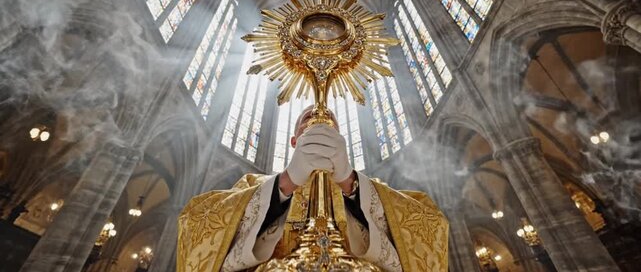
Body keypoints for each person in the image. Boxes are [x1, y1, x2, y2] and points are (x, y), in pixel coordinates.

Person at [177, 106, 448, 271]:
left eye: (330, 124)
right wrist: (286, 184)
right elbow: (195, 222)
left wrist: (349, 182)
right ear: (294, 142)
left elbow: (430, 225)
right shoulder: (252, 186)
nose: (319, 119)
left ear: (342, 143)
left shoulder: (374, 191)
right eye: (308, 118)